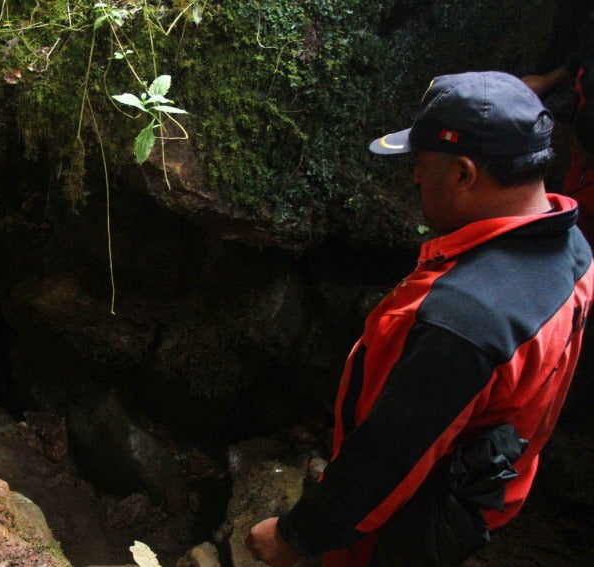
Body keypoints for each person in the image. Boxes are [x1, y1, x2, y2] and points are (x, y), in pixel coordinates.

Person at [246, 71, 594, 566]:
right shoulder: (572, 249)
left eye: (423, 165)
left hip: (400, 524)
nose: (413, 177)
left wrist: (296, 534)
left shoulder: (462, 321)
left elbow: (391, 454)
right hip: (481, 493)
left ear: (463, 175)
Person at [522, 52, 594, 242]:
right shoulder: (587, 85)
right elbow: (581, 62)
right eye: (578, 148)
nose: (581, 158)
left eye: (588, 158)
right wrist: (545, 81)